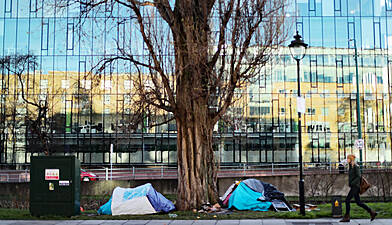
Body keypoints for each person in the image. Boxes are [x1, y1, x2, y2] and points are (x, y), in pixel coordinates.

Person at [340, 154, 377, 222]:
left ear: (351, 159)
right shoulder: (351, 166)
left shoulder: (356, 167)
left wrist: (353, 183)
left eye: (348, 158)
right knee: (358, 202)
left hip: (355, 186)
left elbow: (359, 176)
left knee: (347, 200)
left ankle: (347, 217)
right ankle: (372, 212)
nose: (347, 159)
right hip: (354, 186)